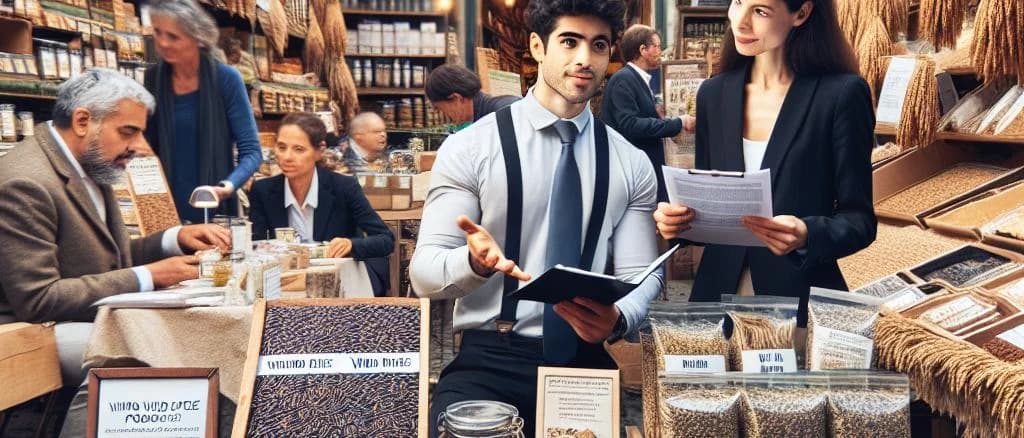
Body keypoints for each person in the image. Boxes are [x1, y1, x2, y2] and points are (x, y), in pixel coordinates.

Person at [410, 0, 662, 434]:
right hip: (491, 358)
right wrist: (471, 264)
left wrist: (618, 317)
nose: (584, 58)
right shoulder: (472, 148)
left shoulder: (630, 162)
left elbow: (644, 275)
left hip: (583, 361)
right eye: (569, 41)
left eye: (598, 45)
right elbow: (423, 272)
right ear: (538, 47)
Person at [0, 69, 229, 393]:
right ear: (83, 121)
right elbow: (39, 299)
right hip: (32, 333)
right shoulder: (26, 182)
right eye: (128, 132)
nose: (138, 146)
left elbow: (103, 259)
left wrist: (172, 240)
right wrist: (147, 276)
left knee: (188, 340)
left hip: (85, 319)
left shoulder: (89, 163)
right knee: (145, 356)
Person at [653, 0, 876, 326]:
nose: (740, 22)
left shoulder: (841, 95)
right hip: (714, 305)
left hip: (798, 304)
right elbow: (709, 211)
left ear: (801, 13)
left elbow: (859, 220)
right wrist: (678, 222)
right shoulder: (713, 94)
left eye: (760, 11)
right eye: (738, 2)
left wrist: (807, 233)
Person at [249, 113, 395, 296]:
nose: (287, 157)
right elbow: (256, 245)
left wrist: (351, 244)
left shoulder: (343, 187)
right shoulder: (263, 191)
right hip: (286, 285)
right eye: (281, 147)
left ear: (319, 151)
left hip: (340, 285)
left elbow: (386, 239)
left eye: (299, 149)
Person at [143, 0, 263, 223]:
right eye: (157, 32)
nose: (162, 43)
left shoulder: (226, 80)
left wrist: (227, 186)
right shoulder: (152, 80)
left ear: (197, 38)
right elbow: (145, 143)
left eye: (173, 36)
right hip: (163, 210)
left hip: (213, 205)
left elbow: (252, 152)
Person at [600, 24, 685, 202]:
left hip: (642, 170)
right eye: (657, 46)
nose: (660, 51)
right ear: (643, 49)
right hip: (633, 177)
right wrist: (678, 123)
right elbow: (630, 125)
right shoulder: (623, 80)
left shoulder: (636, 78)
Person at [425, 64, 521, 123]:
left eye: (439, 108)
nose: (442, 114)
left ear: (457, 98)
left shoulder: (504, 111)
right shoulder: (483, 115)